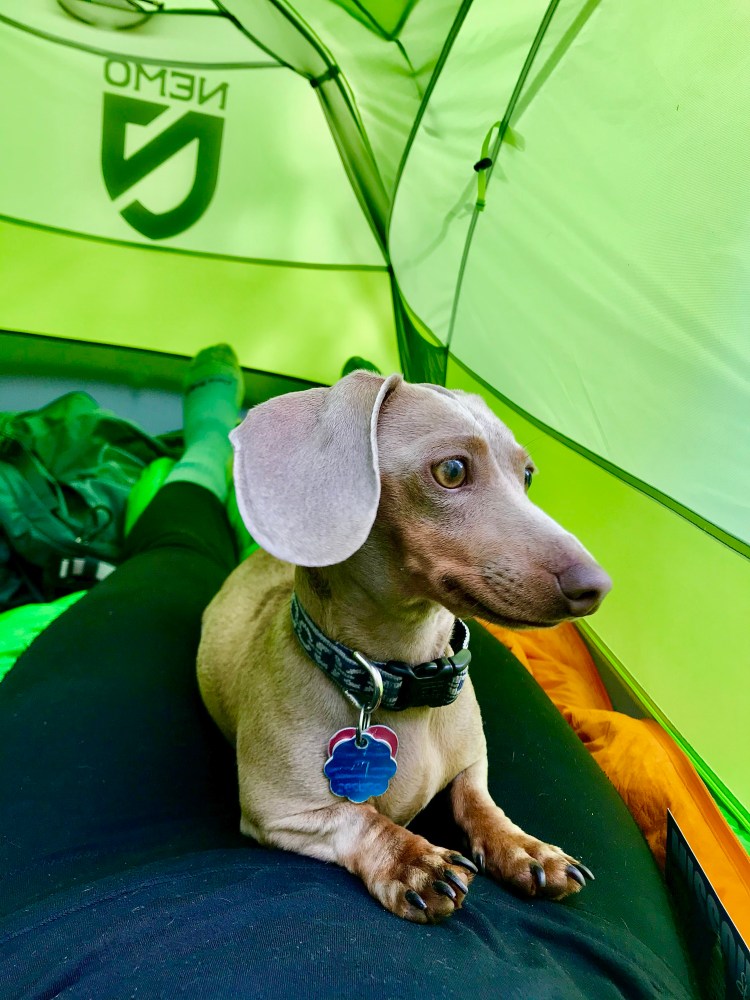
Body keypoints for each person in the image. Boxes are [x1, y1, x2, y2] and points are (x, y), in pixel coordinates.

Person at [0, 346, 698, 999]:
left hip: (360, 585)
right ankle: (217, 451)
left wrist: (483, 816)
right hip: (264, 605)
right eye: (454, 472)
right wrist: (371, 840)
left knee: (174, 552)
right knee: (178, 547)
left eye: (521, 477)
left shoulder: (450, 652)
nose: (583, 573)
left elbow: (465, 759)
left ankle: (320, 450)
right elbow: (274, 810)